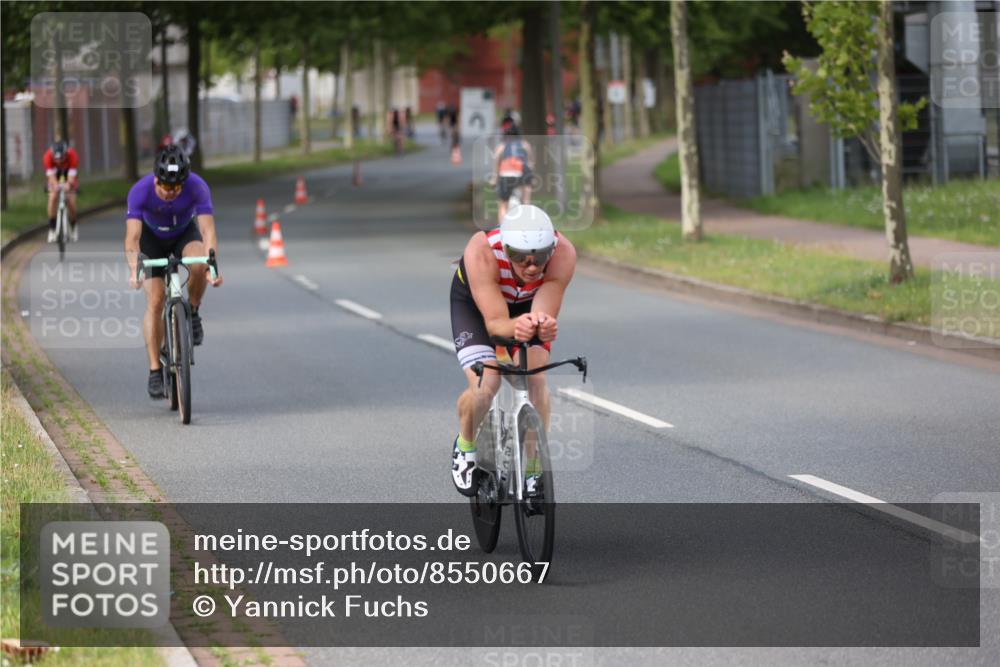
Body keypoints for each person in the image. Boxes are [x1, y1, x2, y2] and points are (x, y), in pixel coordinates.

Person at [449, 205, 576, 496]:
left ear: (551, 248)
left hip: (526, 305)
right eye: (520, 257)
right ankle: (465, 444)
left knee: (535, 380)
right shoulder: (482, 250)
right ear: (506, 249)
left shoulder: (564, 253)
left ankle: (532, 469)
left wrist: (542, 325)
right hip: (479, 309)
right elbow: (495, 324)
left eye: (539, 257)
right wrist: (513, 329)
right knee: (487, 383)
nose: (531, 267)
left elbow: (543, 309)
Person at [125, 145, 223, 399]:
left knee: (198, 263)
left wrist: (213, 267)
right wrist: (135, 267)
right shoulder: (140, 191)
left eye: (176, 189)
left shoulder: (197, 186)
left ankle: (192, 310)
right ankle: (155, 370)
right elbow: (132, 238)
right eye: (165, 188)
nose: (170, 193)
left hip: (183, 233)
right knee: (156, 300)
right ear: (156, 179)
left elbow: (208, 231)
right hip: (151, 239)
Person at [491, 123, 534, 225]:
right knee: (526, 200)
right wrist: (530, 178)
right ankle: (527, 223)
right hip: (523, 170)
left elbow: (496, 160)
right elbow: (530, 163)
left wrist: (494, 178)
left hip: (507, 171)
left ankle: (501, 229)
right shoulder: (524, 144)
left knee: (503, 204)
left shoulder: (502, 145)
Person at [43, 139, 80, 242]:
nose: (59, 161)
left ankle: (73, 226)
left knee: (71, 202)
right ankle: (52, 229)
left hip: (68, 176)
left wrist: (69, 185)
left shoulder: (72, 155)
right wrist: (56, 186)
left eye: (62, 158)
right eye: (56, 159)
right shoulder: (47, 157)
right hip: (55, 176)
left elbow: (72, 176)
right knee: (52, 198)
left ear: (66, 153)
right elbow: (50, 176)